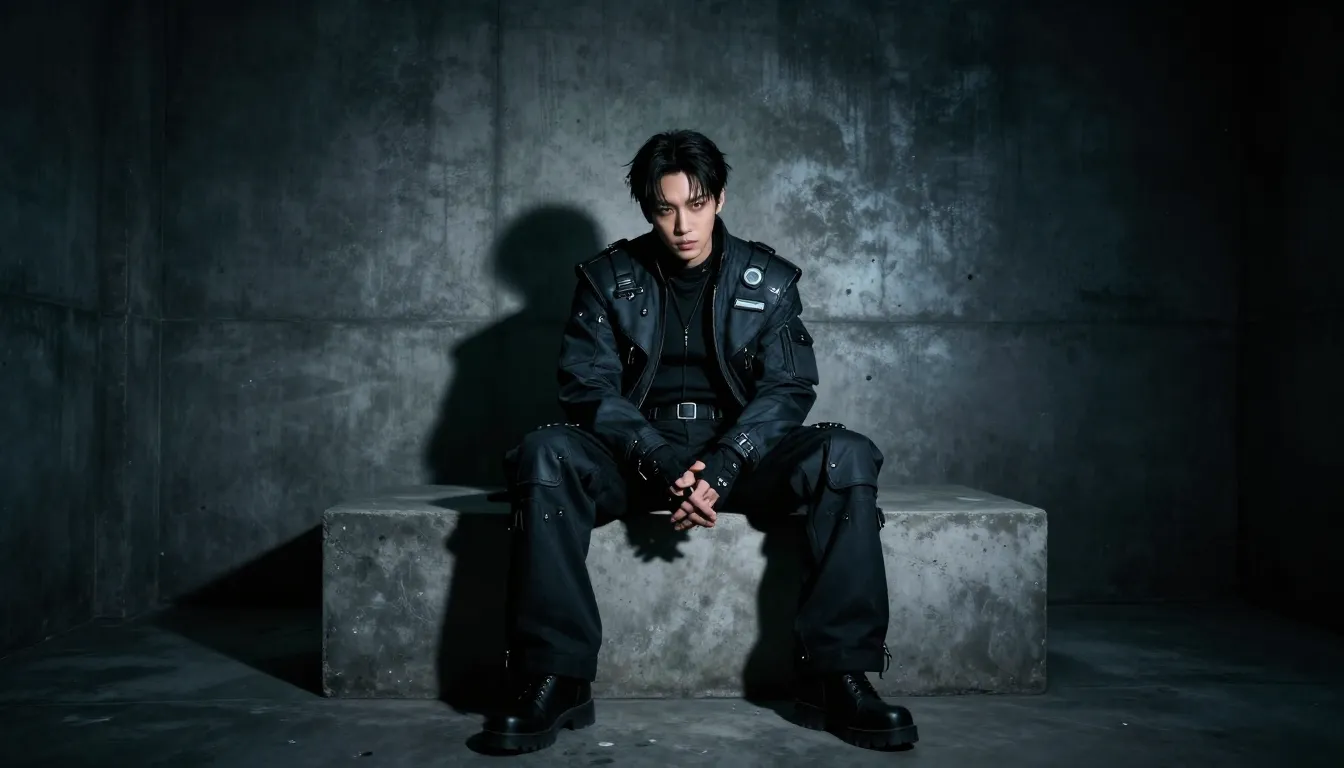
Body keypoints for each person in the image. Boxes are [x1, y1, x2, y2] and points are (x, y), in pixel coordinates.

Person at [481, 130, 918, 753]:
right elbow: (586, 386)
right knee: (544, 453)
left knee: (844, 453)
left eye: (697, 204)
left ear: (720, 198)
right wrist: (660, 460)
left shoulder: (767, 280)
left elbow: (789, 387)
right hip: (634, 458)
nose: (683, 225)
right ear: (647, 209)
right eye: (666, 209)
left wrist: (725, 463)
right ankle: (555, 676)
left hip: (743, 454)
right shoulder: (607, 278)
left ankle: (838, 676)